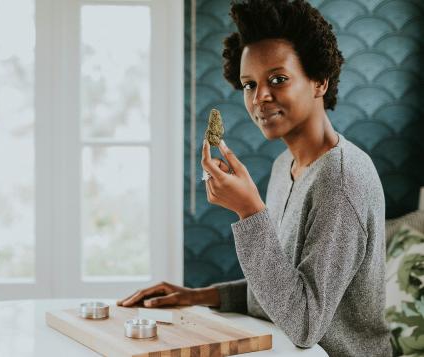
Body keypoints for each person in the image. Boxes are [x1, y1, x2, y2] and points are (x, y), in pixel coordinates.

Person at [118, 0, 392, 355]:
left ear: (319, 81)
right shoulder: (285, 166)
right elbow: (283, 287)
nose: (260, 97)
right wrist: (197, 296)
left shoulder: (341, 181)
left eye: (278, 79)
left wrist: (249, 213)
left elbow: (305, 323)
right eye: (249, 84)